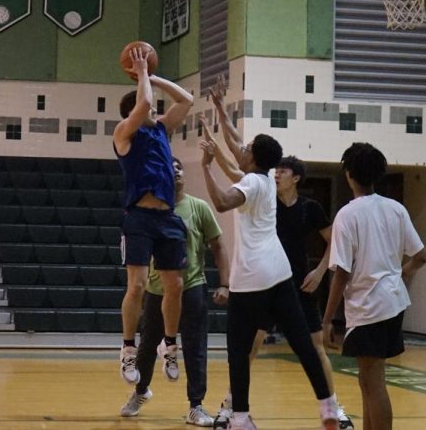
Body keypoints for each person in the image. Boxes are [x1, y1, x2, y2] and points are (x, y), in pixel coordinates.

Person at [200, 83, 339, 430]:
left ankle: (241, 418)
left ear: (253, 159)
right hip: (280, 273)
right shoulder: (261, 178)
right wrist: (220, 110)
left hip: (252, 278)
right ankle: (328, 406)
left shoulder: (252, 184)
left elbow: (219, 202)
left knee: (239, 351)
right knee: (303, 342)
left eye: (246, 150)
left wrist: (205, 166)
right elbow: (235, 144)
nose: (241, 149)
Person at [322, 143, 426, 430]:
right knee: (367, 381)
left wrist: (328, 319)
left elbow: (342, 273)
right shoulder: (396, 209)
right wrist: (398, 276)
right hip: (393, 304)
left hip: (369, 307)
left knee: (374, 383)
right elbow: (421, 256)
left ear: (348, 173)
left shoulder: (348, 214)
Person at [119, 157, 231, 427]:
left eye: (180, 167)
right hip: (157, 290)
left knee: (195, 348)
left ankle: (196, 406)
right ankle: (139, 392)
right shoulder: (150, 209)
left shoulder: (199, 207)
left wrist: (225, 283)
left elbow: (218, 246)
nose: (177, 171)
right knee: (146, 348)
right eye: (171, 167)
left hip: (192, 287)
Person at [113, 46, 194, 385]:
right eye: (146, 102)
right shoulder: (123, 133)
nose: (154, 106)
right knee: (139, 285)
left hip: (167, 218)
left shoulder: (161, 129)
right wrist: (142, 72)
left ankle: (170, 345)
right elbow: (145, 103)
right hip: (140, 218)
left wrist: (152, 74)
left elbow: (187, 100)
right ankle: (128, 349)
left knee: (175, 285)